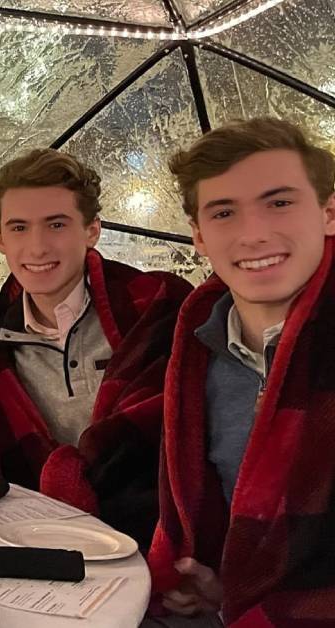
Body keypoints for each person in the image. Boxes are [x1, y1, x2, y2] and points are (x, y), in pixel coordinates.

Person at [147, 118, 335, 626]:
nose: (253, 234)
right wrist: (225, 588)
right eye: (225, 212)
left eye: (279, 203)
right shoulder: (196, 349)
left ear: (328, 213)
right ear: (199, 236)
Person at [0, 149, 191, 549]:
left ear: (92, 230)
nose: (38, 247)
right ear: (0, 240)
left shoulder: (158, 309)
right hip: (42, 540)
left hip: (162, 536)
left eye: (56, 224)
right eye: (20, 228)